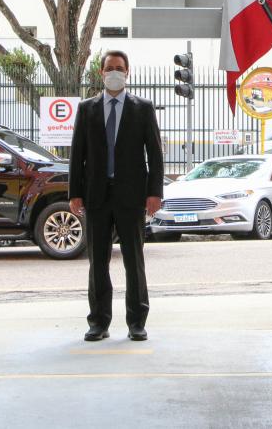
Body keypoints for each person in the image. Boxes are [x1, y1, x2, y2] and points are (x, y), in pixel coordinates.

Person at [70, 50, 164, 342]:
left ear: (128, 72)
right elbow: (77, 155)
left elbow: (155, 154)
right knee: (97, 262)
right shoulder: (87, 109)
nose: (114, 72)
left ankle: (137, 321)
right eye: (109, 68)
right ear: (101, 73)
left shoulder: (142, 108)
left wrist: (154, 193)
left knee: (133, 260)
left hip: (132, 196)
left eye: (119, 68)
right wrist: (75, 193)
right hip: (96, 196)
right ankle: (98, 322)